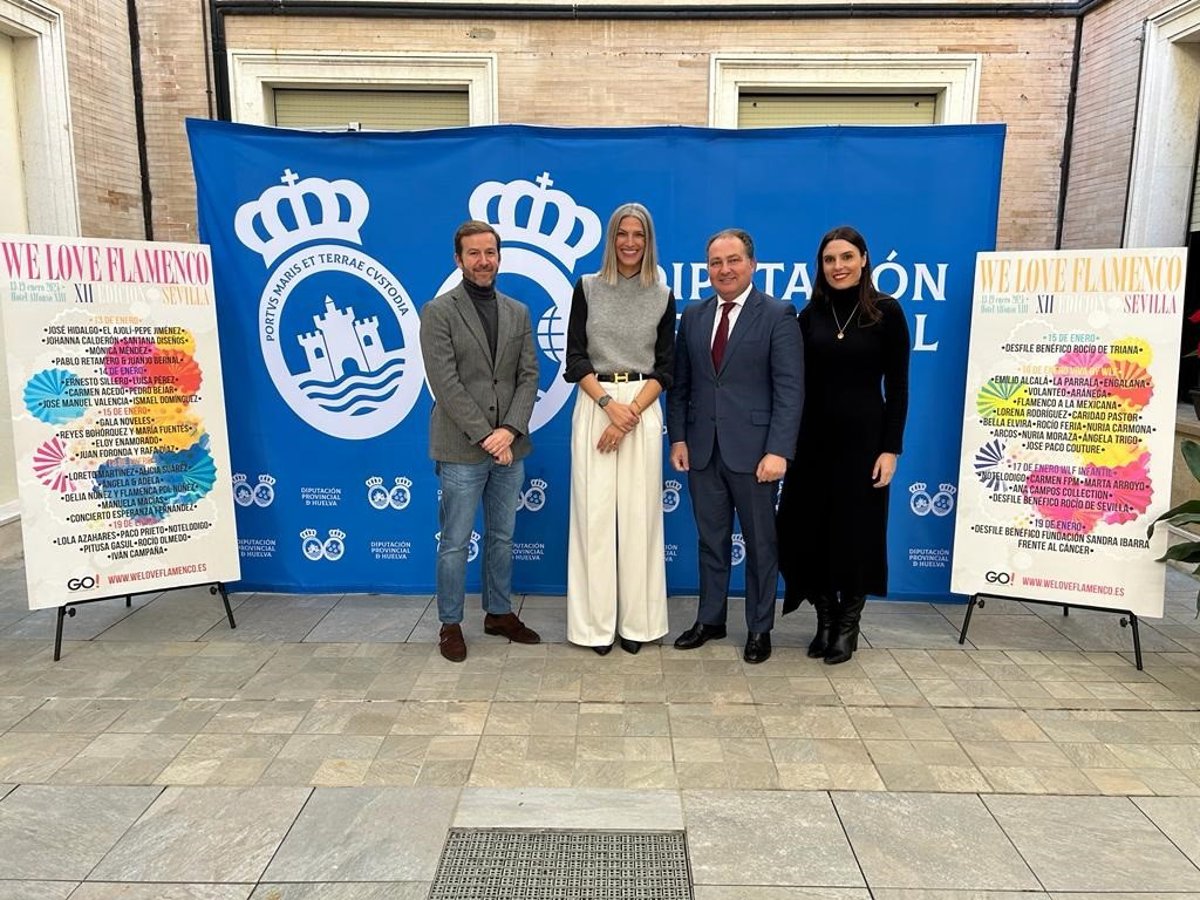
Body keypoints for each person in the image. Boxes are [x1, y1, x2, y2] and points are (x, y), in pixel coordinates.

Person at [666, 228, 804, 664]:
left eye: (733, 260)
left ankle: (760, 628)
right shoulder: (694, 315)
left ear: (752, 264)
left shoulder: (778, 314)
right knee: (711, 541)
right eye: (715, 263)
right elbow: (681, 385)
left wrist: (779, 450)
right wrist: (679, 437)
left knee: (762, 546)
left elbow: (790, 389)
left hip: (757, 454)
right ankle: (711, 619)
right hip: (703, 450)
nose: (724, 270)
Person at [776, 225, 910, 665]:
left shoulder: (887, 312)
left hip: (864, 444)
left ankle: (848, 625)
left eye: (847, 257)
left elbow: (899, 387)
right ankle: (825, 617)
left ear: (864, 259)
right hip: (810, 442)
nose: (838, 267)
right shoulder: (809, 316)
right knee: (807, 530)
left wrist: (890, 448)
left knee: (856, 533)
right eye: (830, 259)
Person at [419, 220, 542, 662]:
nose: (483, 261)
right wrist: (488, 436)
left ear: (499, 257)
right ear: (458, 259)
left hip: (510, 446)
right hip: (460, 448)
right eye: (474, 253)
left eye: (490, 252)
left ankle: (499, 613)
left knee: (502, 537)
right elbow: (445, 383)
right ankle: (450, 624)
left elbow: (528, 375)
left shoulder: (517, 311)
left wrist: (509, 430)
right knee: (454, 541)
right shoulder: (438, 311)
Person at [564, 203, 676, 655]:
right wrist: (610, 406)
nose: (630, 243)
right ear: (611, 239)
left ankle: (638, 625)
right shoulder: (587, 287)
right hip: (596, 402)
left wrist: (629, 413)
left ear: (649, 241)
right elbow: (575, 357)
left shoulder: (662, 295)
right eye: (622, 234)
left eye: (639, 235)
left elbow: (666, 367)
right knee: (592, 519)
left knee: (639, 519)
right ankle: (594, 627)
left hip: (643, 405)